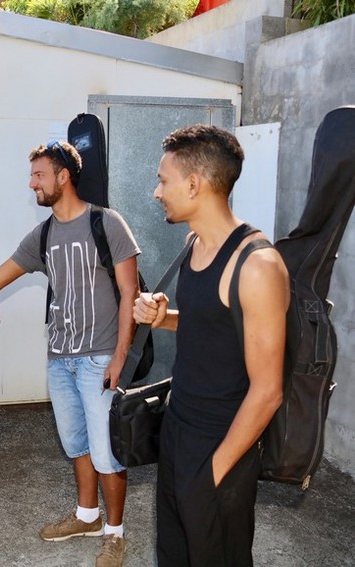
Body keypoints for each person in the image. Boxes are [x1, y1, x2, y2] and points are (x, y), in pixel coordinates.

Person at [0, 142, 139, 567]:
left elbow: (131, 292)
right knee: (76, 444)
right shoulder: (45, 233)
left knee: (107, 450)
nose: (30, 182)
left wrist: (120, 356)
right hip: (60, 356)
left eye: (38, 175)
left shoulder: (105, 223)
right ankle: (87, 515)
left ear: (63, 176)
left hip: (99, 357)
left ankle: (115, 533)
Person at [133, 124, 288, 566]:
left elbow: (268, 390)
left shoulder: (257, 265)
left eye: (164, 180)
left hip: (224, 443)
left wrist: (215, 470)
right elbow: (212, 324)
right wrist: (165, 319)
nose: (157, 191)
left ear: (195, 184)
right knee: (176, 553)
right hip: (179, 429)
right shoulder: (193, 243)